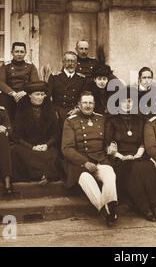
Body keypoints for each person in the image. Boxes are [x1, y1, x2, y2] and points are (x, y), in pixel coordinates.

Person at [105, 87, 156, 222]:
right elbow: (108, 145)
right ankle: (144, 208)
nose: (128, 104)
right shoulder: (112, 121)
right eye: (124, 101)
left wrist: (137, 154)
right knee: (133, 168)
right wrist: (121, 156)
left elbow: (143, 141)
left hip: (138, 155)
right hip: (120, 158)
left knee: (148, 166)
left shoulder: (140, 120)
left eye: (130, 101)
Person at [62, 91, 118, 227]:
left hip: (100, 159)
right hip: (79, 163)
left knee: (110, 175)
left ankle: (110, 206)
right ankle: (107, 210)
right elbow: (67, 148)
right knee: (87, 180)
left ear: (94, 104)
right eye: (85, 103)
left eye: (90, 103)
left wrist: (110, 147)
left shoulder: (101, 119)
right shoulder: (70, 121)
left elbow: (107, 142)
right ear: (79, 105)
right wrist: (84, 162)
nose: (88, 106)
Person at [11, 81, 61, 184]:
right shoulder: (22, 109)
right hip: (28, 145)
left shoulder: (49, 108)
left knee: (53, 153)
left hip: (45, 144)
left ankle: (43, 175)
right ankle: (42, 174)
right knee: (16, 151)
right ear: (30, 95)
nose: (40, 97)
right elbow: (17, 135)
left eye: (42, 94)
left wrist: (46, 145)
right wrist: (31, 147)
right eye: (37, 94)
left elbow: (55, 133)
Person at [0, 42, 39, 122]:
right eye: (17, 51)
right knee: (3, 99)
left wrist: (25, 92)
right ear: (12, 52)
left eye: (22, 52)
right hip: (9, 95)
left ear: (25, 53)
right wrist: (13, 93)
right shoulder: (6, 66)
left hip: (25, 94)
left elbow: (35, 83)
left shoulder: (31, 66)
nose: (19, 54)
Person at [47, 51, 88, 130]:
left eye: (73, 61)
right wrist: (53, 111)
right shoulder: (54, 77)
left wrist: (78, 109)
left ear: (76, 63)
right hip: (58, 111)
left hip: (75, 110)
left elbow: (84, 97)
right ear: (63, 62)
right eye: (67, 61)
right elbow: (48, 96)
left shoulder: (82, 79)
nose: (70, 63)